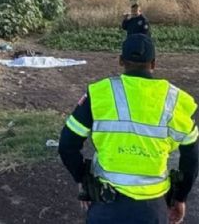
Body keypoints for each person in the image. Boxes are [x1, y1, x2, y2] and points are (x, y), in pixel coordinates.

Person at [58, 34, 198, 224]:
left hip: (106, 206)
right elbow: (192, 157)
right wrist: (180, 197)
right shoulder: (176, 100)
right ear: (154, 64)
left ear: (121, 61)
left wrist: (83, 180)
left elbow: (67, 145)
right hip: (152, 209)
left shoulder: (100, 94)